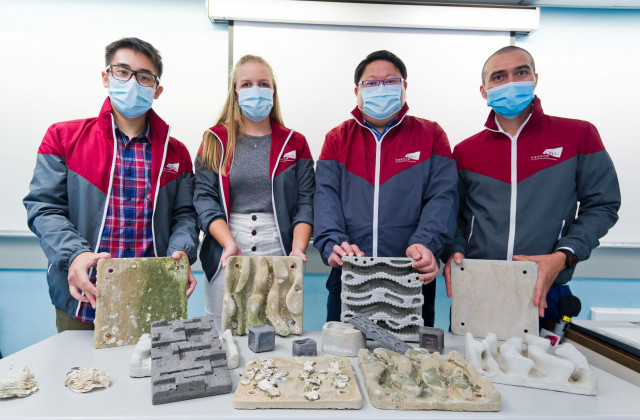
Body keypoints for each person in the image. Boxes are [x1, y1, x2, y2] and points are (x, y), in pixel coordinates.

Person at [23, 37, 199, 332]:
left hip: (153, 298)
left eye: (144, 76)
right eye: (122, 71)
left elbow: (185, 215)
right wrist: (75, 254)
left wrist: (181, 251)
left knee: (152, 378)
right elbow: (44, 208)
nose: (133, 81)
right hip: (83, 298)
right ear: (106, 77)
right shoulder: (63, 138)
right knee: (80, 376)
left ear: (157, 89)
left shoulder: (176, 152)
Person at [444, 46, 621, 328]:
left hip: (547, 287)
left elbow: (602, 206)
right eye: (499, 77)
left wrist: (564, 255)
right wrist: (453, 254)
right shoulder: (466, 151)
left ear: (534, 78)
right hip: (480, 287)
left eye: (520, 72)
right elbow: (454, 217)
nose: (511, 82)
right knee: (474, 370)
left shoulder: (578, 135)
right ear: (484, 90)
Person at [313, 50, 458, 326]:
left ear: (404, 87)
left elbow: (443, 197)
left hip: (411, 275)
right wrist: (333, 244)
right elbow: (325, 198)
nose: (381, 88)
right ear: (357, 91)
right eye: (371, 83)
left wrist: (426, 245)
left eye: (390, 81)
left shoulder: (431, 135)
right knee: (346, 359)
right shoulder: (336, 139)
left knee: (412, 360)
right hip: (350, 274)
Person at [194, 54, 315, 328]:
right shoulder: (215, 139)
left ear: (273, 91)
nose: (255, 90)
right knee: (223, 329)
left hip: (280, 247)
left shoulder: (294, 142)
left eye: (263, 83)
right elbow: (204, 200)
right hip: (227, 247)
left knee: (278, 328)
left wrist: (297, 250)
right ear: (235, 93)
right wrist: (228, 243)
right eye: (246, 84)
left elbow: (305, 203)